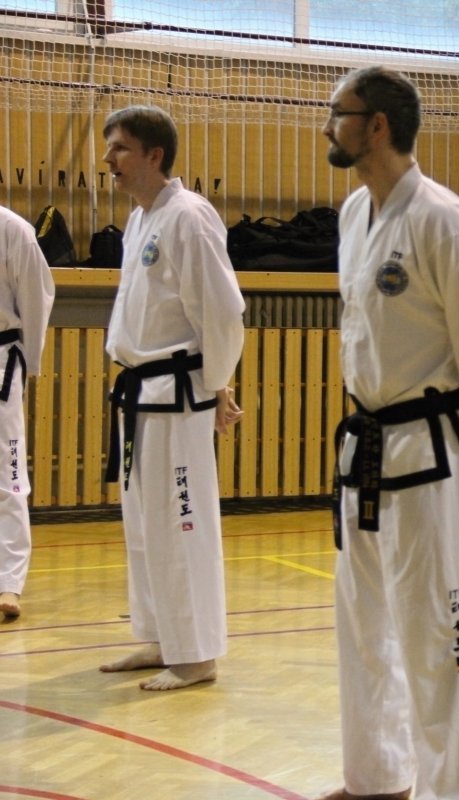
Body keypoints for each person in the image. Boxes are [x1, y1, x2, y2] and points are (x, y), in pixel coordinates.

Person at [316, 66, 459, 800]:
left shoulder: (443, 219)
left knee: (444, 638)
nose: (327, 124)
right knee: (365, 624)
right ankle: (377, 776)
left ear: (377, 126)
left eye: (338, 112)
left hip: (431, 448)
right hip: (367, 446)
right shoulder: (353, 214)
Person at [96, 105, 246, 690]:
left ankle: (197, 654)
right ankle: (163, 637)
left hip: (179, 394)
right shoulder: (141, 218)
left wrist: (217, 385)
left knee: (184, 524)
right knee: (144, 523)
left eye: (119, 148)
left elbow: (221, 311)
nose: (108, 159)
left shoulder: (189, 216)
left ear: (154, 154)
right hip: (141, 390)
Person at [0, 205, 55, 620]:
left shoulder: (13, 230)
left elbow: (37, 297)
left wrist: (28, 363)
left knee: (8, 473)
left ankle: (8, 582)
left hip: (1, 358)